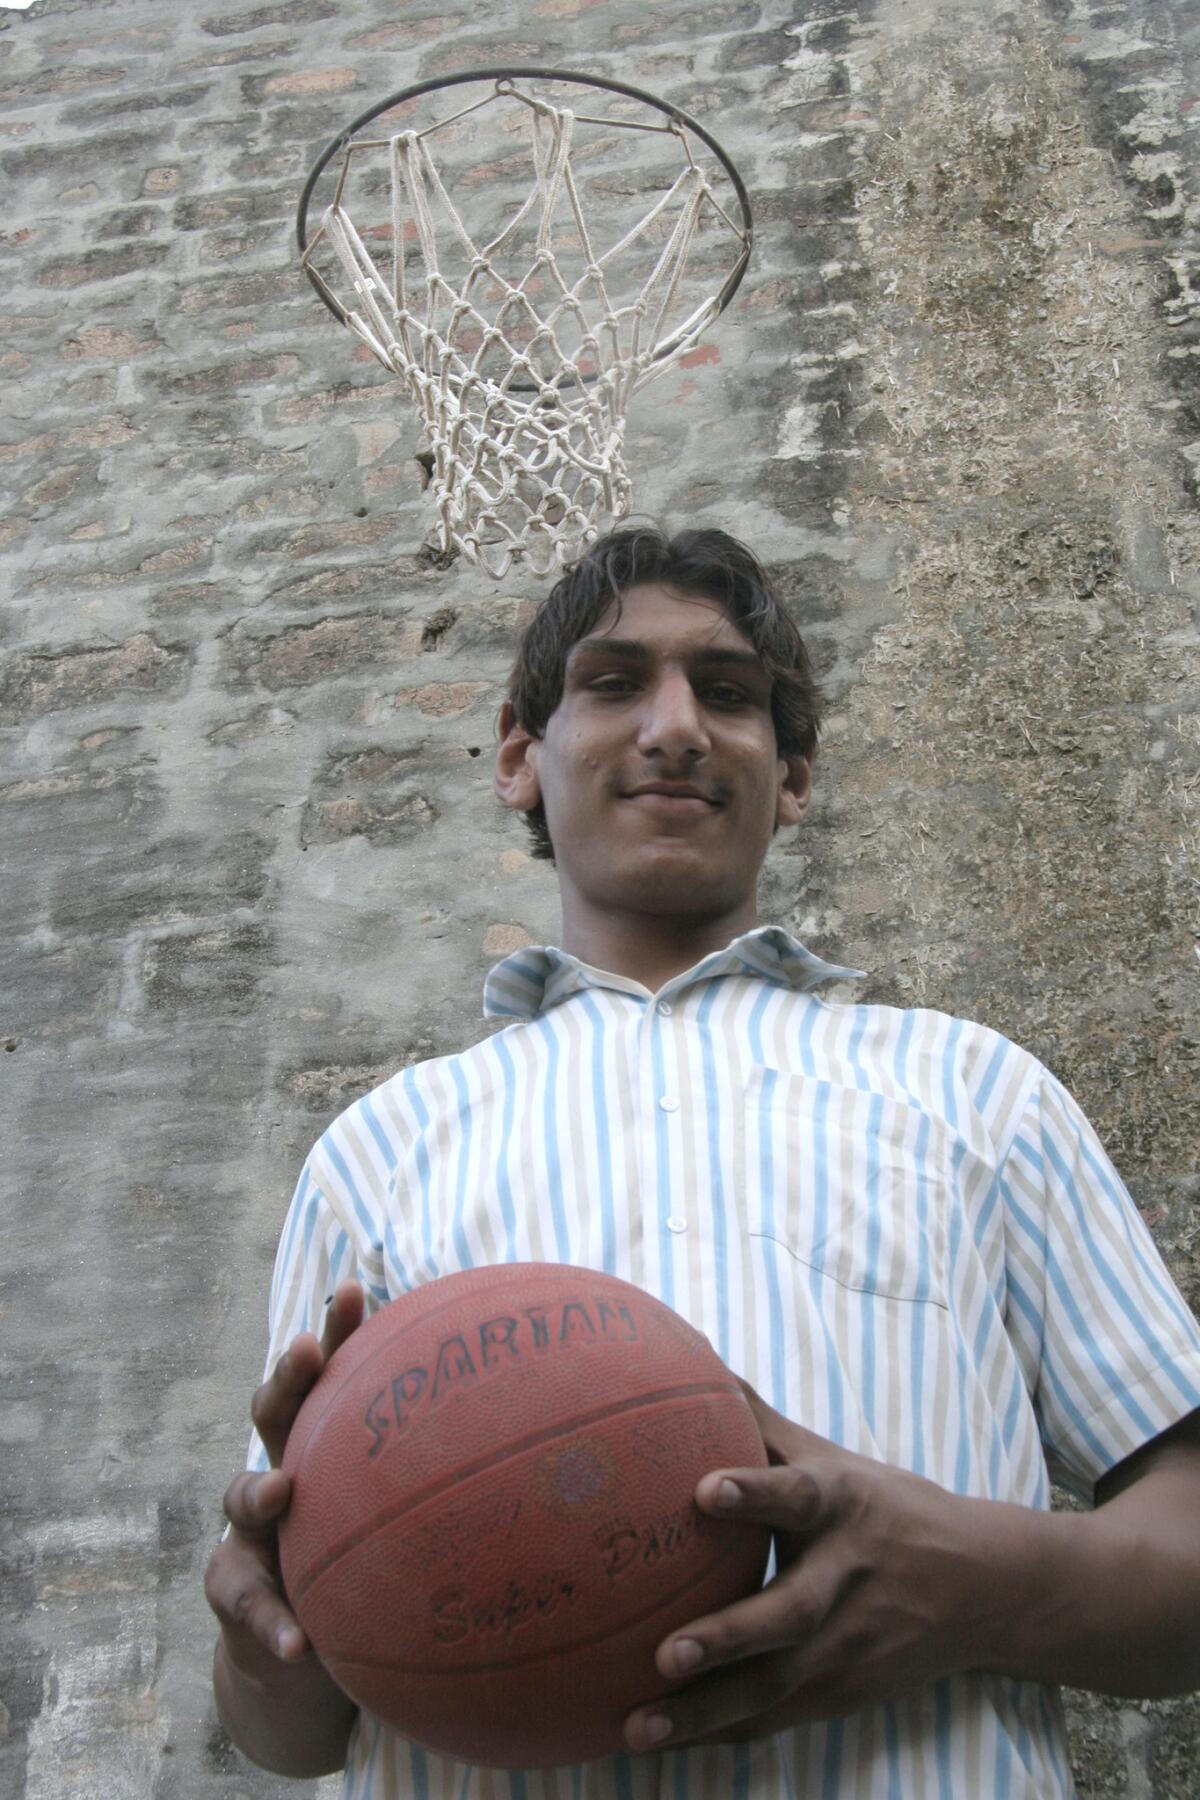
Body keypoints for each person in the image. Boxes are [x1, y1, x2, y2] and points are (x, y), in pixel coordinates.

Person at [205, 525, 1200, 1797]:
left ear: (791, 776)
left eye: (728, 694)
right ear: (520, 756)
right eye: (615, 683)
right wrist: (269, 1641)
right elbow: (288, 1733)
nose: (675, 726)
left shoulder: (976, 1091)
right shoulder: (382, 1149)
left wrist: (983, 1584)